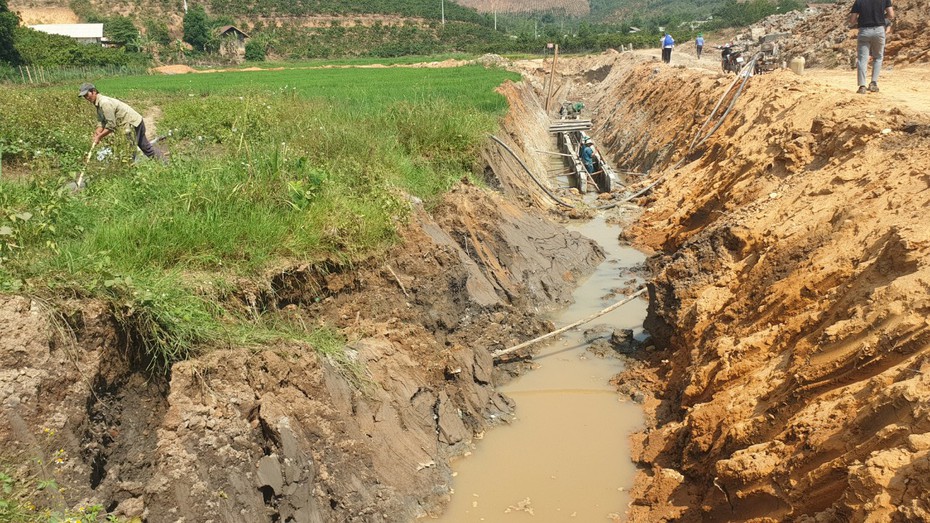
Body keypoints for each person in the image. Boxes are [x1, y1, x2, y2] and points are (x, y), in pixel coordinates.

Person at [78, 82, 166, 162]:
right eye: (84, 96)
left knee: (129, 152)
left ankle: (129, 174)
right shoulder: (98, 103)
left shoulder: (104, 103)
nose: (86, 98)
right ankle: (164, 163)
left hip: (132, 124)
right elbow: (101, 120)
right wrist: (98, 131)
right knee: (144, 147)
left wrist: (99, 137)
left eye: (87, 95)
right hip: (134, 122)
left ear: (93, 91)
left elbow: (111, 125)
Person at [849, 0, 894, 94]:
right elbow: (891, 15)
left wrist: (863, 19)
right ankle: (873, 83)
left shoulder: (859, 1)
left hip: (864, 31)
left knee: (862, 59)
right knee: (878, 57)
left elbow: (852, 21)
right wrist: (881, 17)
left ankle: (862, 86)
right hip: (879, 30)